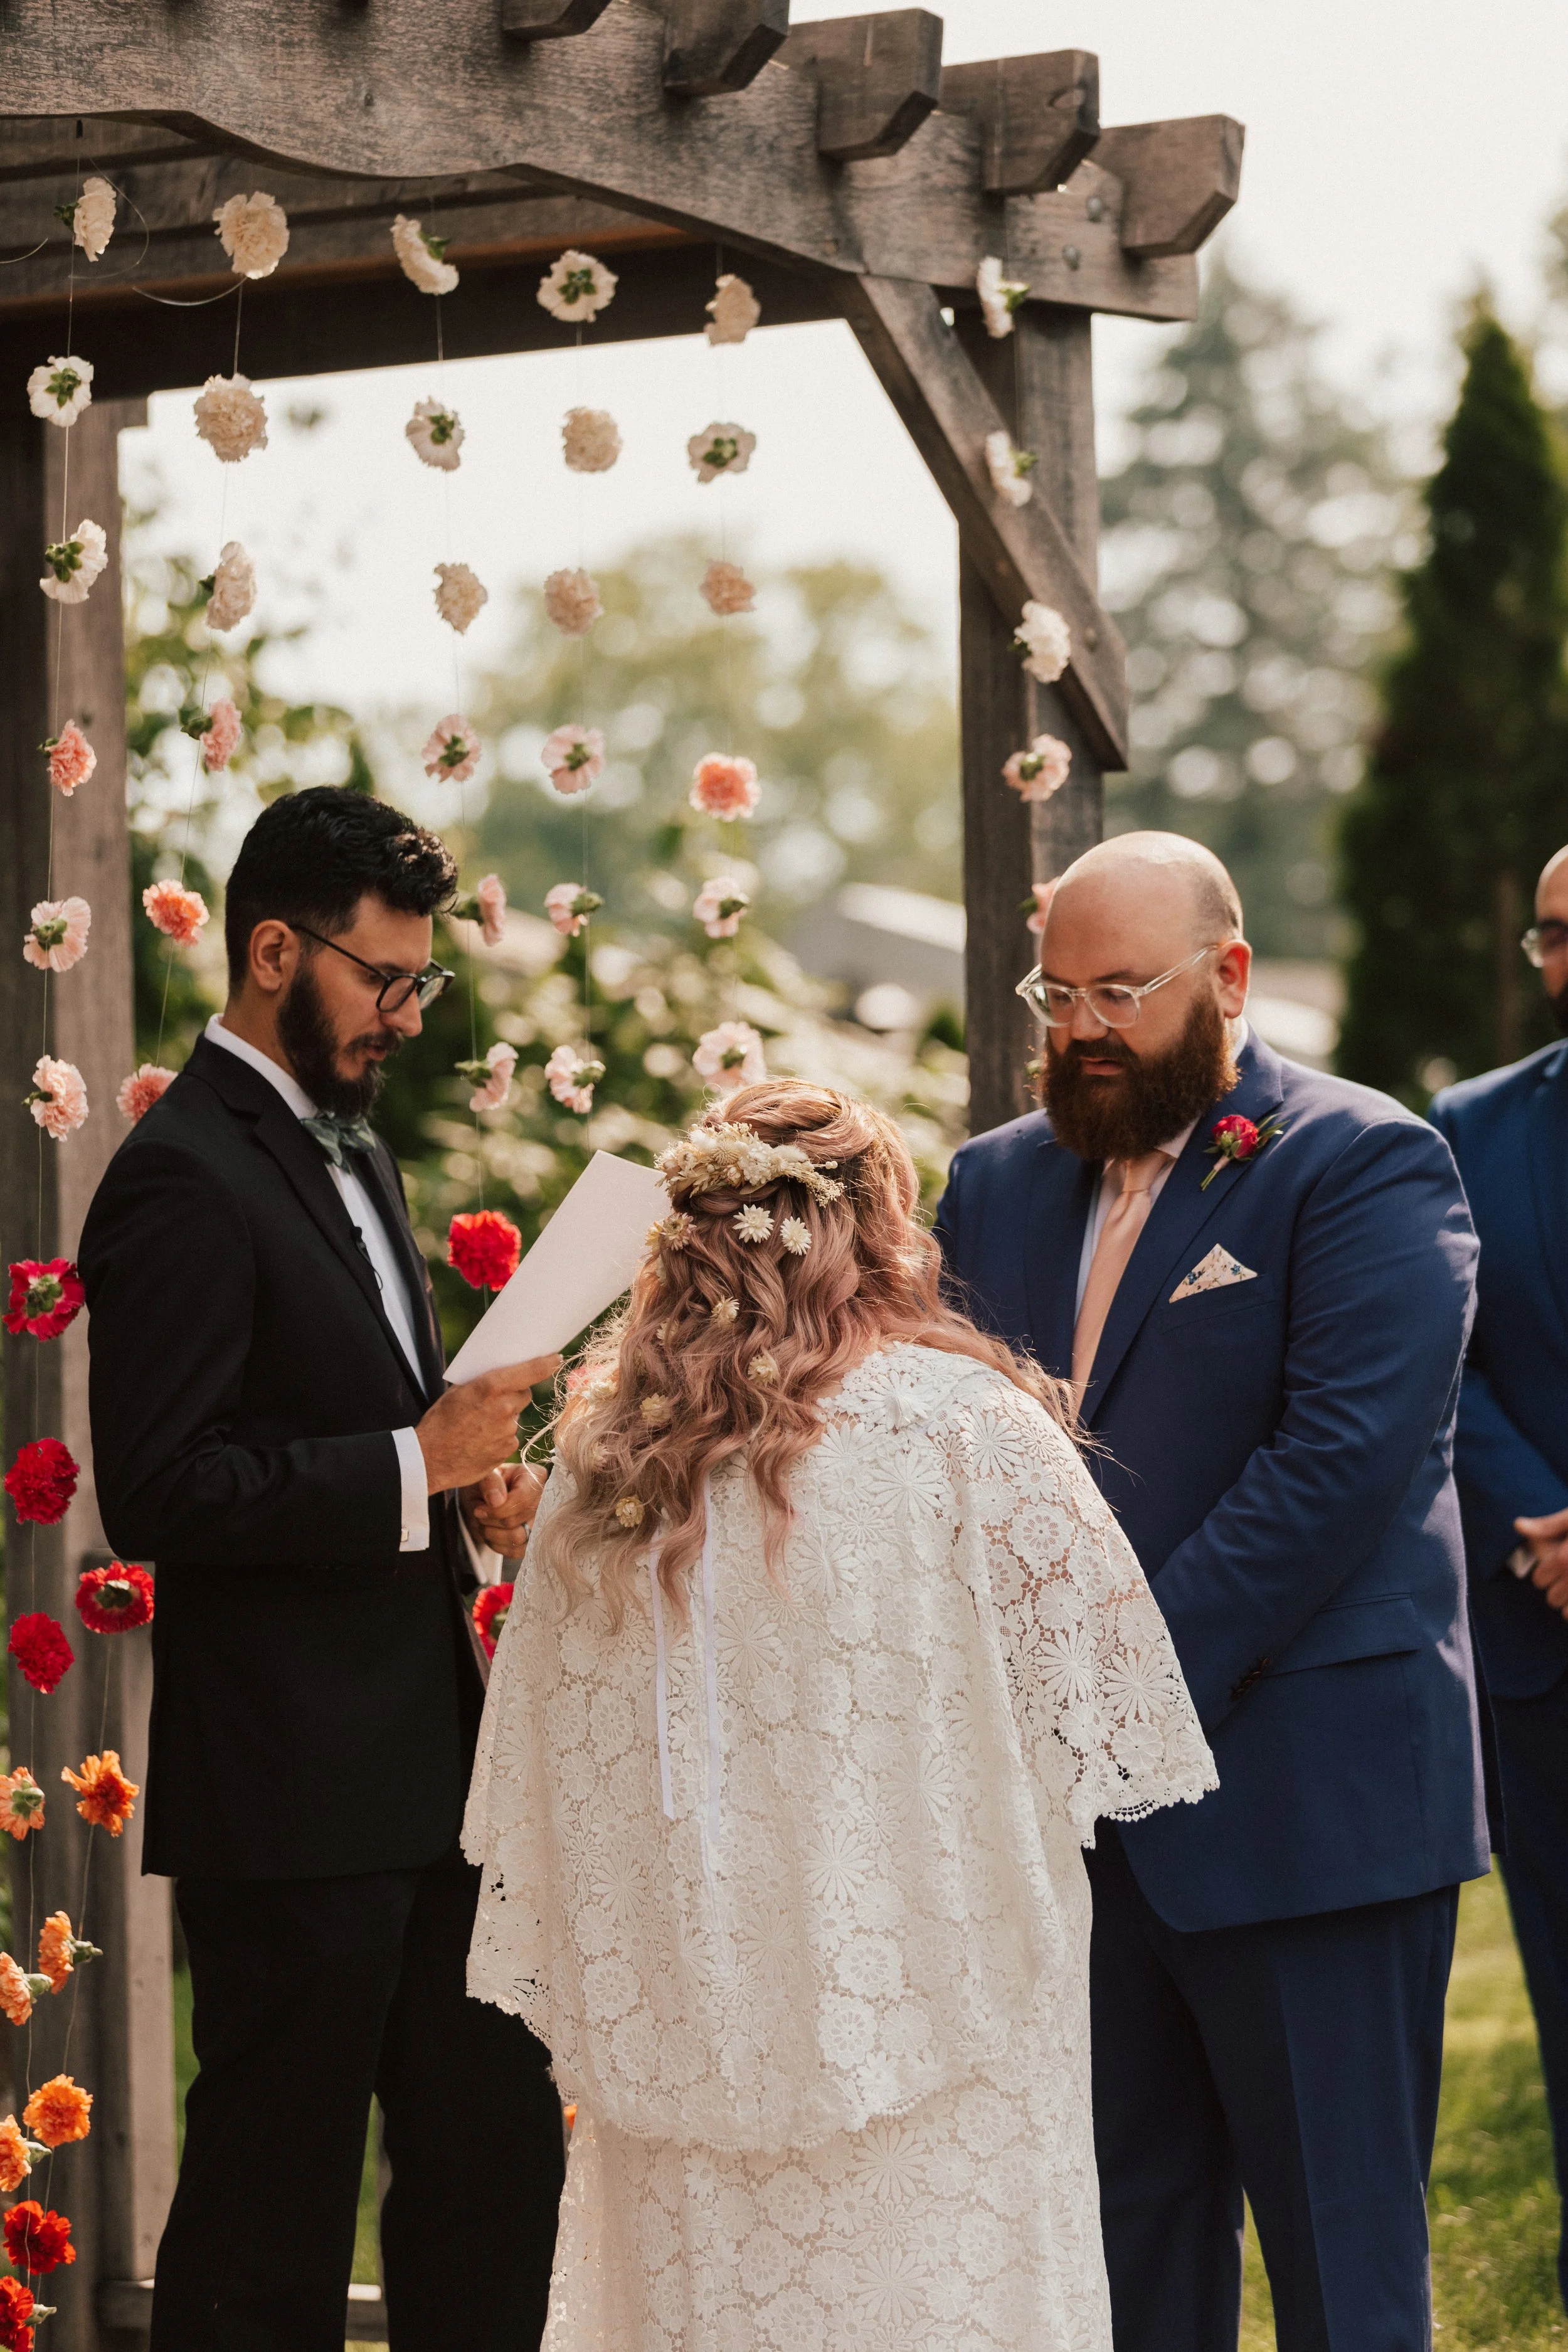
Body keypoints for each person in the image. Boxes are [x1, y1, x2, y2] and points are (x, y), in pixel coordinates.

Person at [462, 1081, 1217, 2351]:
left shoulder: (604, 1460)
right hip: (937, 2003)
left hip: (686, 2011)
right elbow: (1106, 1703)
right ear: (878, 1231)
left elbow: (543, 1760)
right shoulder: (970, 1427)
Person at [935, 832, 1488, 2352]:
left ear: (1226, 977)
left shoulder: (1359, 1162)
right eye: (1059, 994)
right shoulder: (987, 1187)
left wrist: (1104, 1684)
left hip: (1306, 1810)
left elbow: (1333, 1471)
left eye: (1120, 990)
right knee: (1116, 2254)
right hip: (1071, 1842)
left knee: (1341, 2269)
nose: (1084, 1029)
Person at [80, 788, 564, 2352]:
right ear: (273, 947)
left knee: (492, 2173)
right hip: (288, 1799)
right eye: (382, 979)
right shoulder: (178, 1175)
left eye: (424, 983)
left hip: (437, 1776)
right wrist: (408, 1464)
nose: (405, 1015)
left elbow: (361, 1430)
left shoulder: (354, 1155)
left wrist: (460, 1486)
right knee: (268, 2225)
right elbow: (160, 1490)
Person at [1430, 842, 1568, 2310]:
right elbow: (1436, 1360)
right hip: (1545, 1628)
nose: (1561, 959)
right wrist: (1538, 1518)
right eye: (1549, 935)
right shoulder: (1467, 1128)